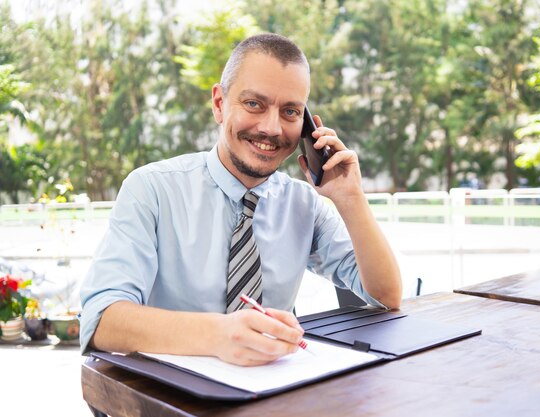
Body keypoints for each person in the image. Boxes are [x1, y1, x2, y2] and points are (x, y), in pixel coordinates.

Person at [80, 33, 402, 366]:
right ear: (220, 104)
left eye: (290, 112)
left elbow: (385, 296)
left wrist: (351, 199)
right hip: (175, 398)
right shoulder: (152, 189)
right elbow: (102, 320)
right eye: (254, 104)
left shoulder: (304, 204)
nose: (272, 128)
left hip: (274, 392)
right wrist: (219, 335)